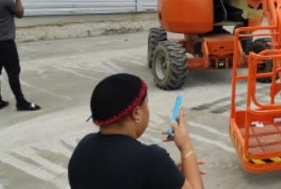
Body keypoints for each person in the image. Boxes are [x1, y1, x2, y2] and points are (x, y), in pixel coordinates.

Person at [68, 73, 204, 189]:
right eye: (147, 103)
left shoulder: (83, 148)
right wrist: (186, 147)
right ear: (136, 113)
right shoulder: (152, 159)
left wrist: (165, 174)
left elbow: (113, 176)